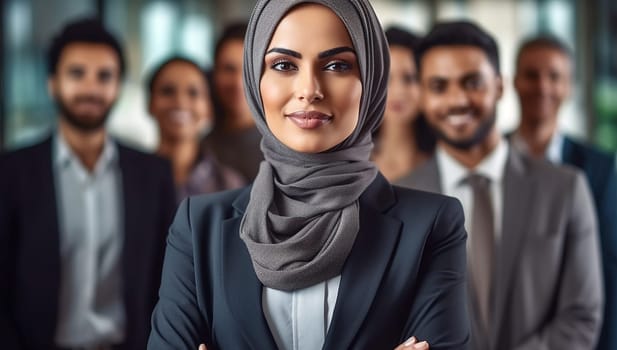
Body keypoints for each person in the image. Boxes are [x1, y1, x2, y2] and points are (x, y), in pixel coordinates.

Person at [148, 1, 469, 349]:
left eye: (337, 65)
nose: (309, 89)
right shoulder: (199, 227)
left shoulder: (432, 226)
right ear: (255, 80)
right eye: (284, 65)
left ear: (373, 79)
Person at [396, 21, 603, 349]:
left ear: (500, 86)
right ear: (421, 96)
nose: (458, 99)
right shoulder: (399, 200)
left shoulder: (566, 189)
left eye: (472, 82)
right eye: (439, 86)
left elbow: (581, 315)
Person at [0, 18, 176, 349]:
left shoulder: (153, 175)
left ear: (119, 86)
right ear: (52, 83)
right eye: (77, 73)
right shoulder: (10, 173)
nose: (91, 88)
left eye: (104, 76)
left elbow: (165, 282)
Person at [510, 36, 617, 350]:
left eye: (554, 76)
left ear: (568, 86)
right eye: (531, 75)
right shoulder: (491, 159)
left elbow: (608, 265)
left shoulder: (599, 168)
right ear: (514, 81)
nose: (542, 86)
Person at [147, 56, 246, 202]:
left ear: (209, 109)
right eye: (168, 91)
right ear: (150, 104)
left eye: (193, 93)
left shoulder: (230, 186)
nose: (180, 102)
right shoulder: (129, 178)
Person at [372, 26, 435, 182]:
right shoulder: (349, 166)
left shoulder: (445, 163)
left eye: (410, 78)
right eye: (386, 79)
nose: (398, 91)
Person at [203, 22, 264, 181]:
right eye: (229, 69)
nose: (238, 82)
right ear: (214, 74)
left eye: (247, 70)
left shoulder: (282, 147)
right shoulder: (203, 146)